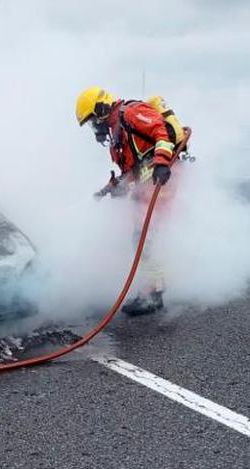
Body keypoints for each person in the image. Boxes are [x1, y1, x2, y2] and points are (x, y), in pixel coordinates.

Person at [76, 86, 190, 316]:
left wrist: (160, 163)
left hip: (162, 179)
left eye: (91, 121)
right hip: (150, 182)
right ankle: (154, 290)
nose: (93, 127)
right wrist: (111, 188)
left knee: (144, 237)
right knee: (144, 237)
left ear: (100, 109)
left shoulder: (129, 113)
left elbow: (162, 132)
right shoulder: (118, 134)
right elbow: (132, 171)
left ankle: (152, 294)